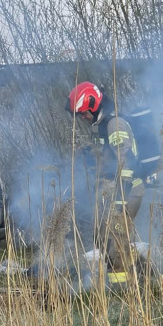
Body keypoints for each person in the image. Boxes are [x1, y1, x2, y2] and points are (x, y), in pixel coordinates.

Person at [67, 81, 145, 288]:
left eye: (83, 113)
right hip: (111, 190)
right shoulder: (100, 126)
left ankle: (122, 289)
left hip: (126, 191)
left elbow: (125, 160)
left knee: (115, 240)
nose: (82, 118)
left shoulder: (114, 124)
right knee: (103, 236)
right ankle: (135, 272)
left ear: (93, 105)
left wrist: (120, 198)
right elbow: (105, 157)